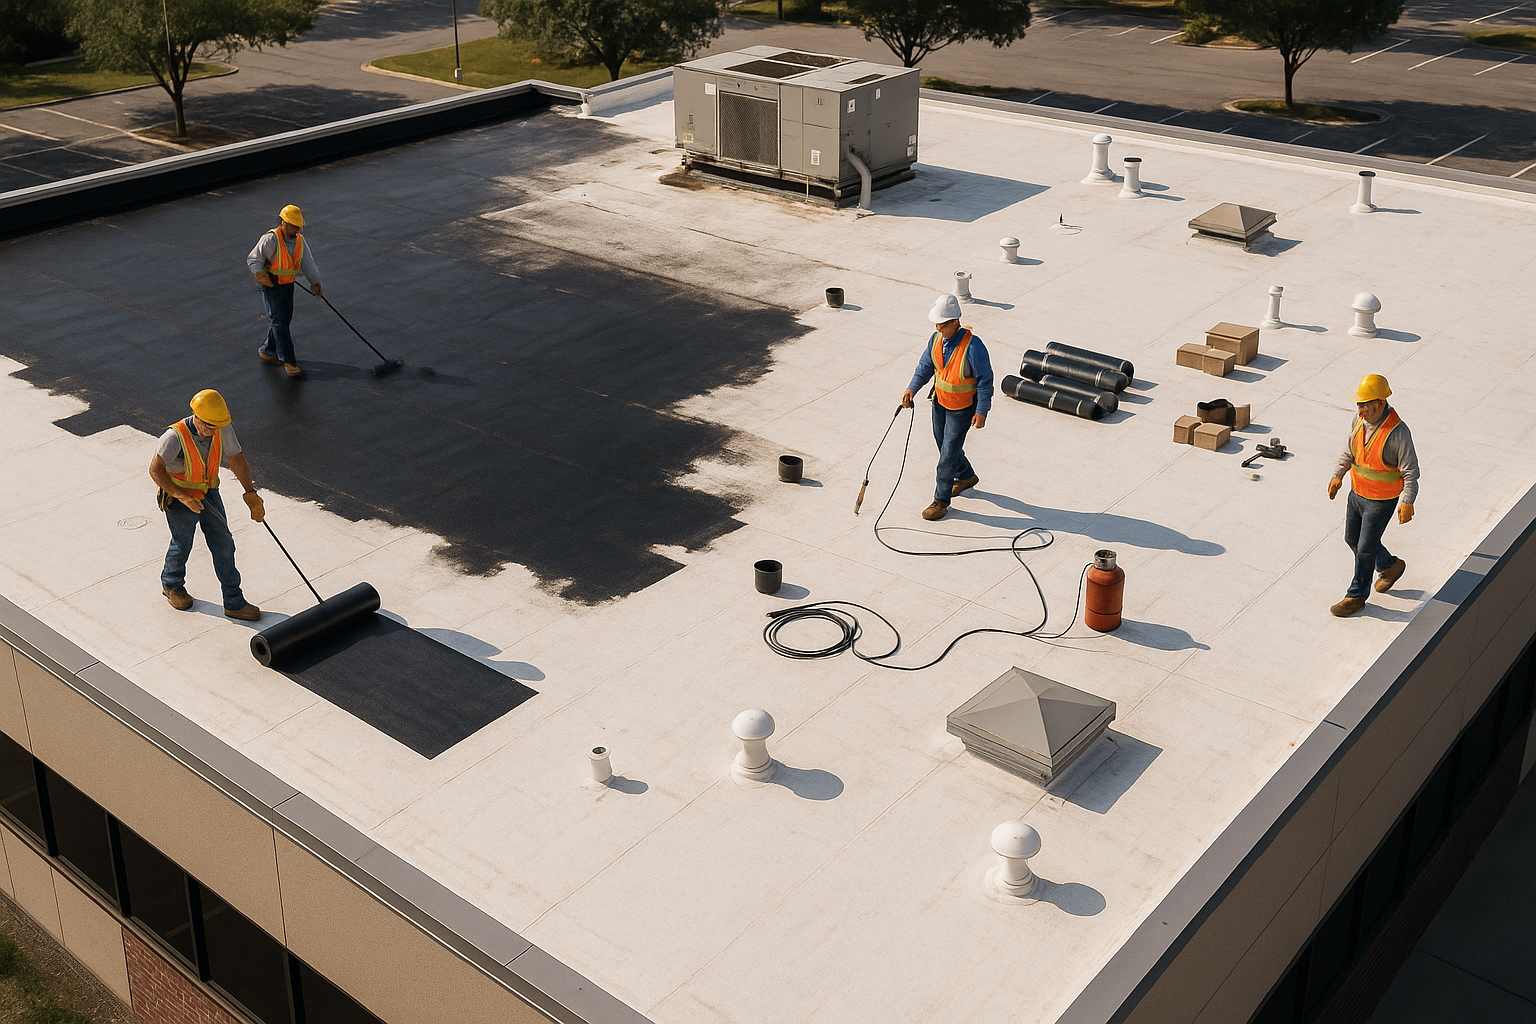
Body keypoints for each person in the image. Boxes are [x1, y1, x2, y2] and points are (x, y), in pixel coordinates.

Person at [149, 389, 265, 621]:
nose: (214, 431)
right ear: (197, 417)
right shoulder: (174, 437)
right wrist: (183, 497)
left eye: (217, 426)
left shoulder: (221, 427)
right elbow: (155, 470)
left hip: (209, 491)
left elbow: (236, 458)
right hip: (180, 495)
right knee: (182, 542)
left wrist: (251, 494)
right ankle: (171, 584)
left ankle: (234, 601)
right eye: (209, 426)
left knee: (223, 543)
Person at [1327, 373, 1418, 618]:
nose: (1361, 408)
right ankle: (1390, 565)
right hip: (1356, 494)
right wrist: (1338, 475)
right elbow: (1349, 452)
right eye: (1359, 403)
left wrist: (1407, 500)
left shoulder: (1398, 433)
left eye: (1365, 404)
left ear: (1379, 402)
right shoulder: (1358, 421)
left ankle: (1356, 596)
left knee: (1365, 548)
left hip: (1381, 501)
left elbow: (1411, 471)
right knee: (1352, 539)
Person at [902, 294, 994, 521]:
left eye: (943, 325)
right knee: (942, 443)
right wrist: (911, 389)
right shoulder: (935, 340)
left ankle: (940, 501)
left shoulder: (974, 347)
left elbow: (985, 380)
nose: (939, 329)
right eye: (937, 325)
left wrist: (981, 411)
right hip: (940, 403)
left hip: (962, 409)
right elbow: (925, 366)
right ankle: (966, 476)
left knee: (947, 455)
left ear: (955, 322)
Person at [247, 205, 322, 378]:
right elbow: (254, 259)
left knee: (283, 320)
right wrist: (260, 274)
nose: (296, 229)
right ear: (284, 222)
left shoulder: (300, 241)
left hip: (287, 285)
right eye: (293, 226)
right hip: (270, 285)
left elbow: (308, 263)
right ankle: (289, 361)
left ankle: (268, 350)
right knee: (279, 321)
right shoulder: (270, 239)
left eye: (298, 226)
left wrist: (315, 282)